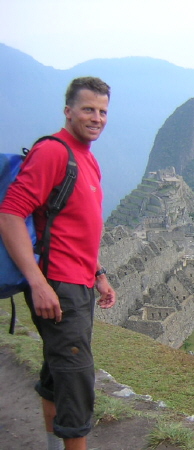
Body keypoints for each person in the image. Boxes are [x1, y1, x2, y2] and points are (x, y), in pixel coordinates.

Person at [0, 76, 116, 450]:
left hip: (79, 281)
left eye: (102, 111)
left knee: (57, 372)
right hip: (58, 286)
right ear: (68, 111)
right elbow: (10, 214)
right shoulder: (54, 152)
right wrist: (37, 282)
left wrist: (98, 274)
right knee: (77, 379)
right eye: (88, 109)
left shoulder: (87, 158)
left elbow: (78, 226)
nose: (96, 117)